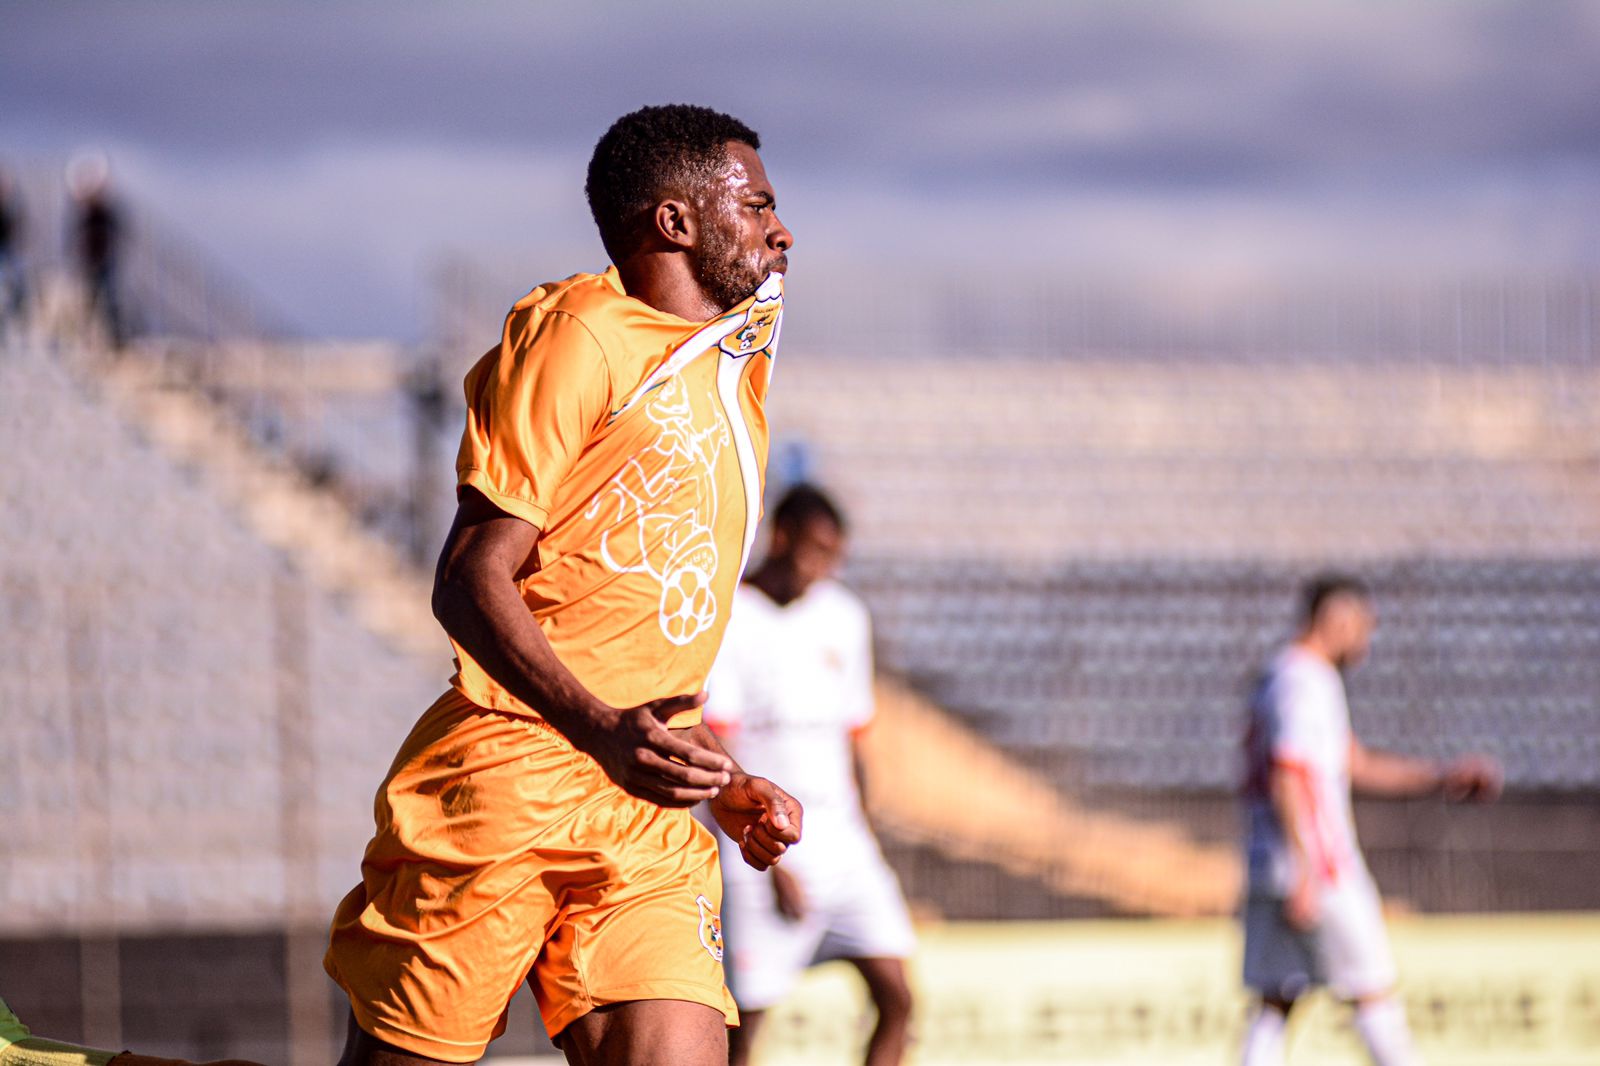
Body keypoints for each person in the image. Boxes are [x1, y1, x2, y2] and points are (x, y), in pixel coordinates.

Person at [1239, 575, 1502, 1066]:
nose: (1366, 640)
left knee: (1275, 1000)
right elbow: (1289, 774)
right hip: (1319, 866)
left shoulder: (1281, 675)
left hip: (1270, 863)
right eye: (1363, 626)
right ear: (1335, 620)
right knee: (1374, 991)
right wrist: (1304, 868)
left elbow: (1351, 763)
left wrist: (1441, 777)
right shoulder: (1305, 680)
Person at [705, 485, 916, 1066]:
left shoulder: (843, 615)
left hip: (845, 846)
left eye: (833, 555)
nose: (823, 567)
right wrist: (773, 862)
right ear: (781, 539)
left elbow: (854, 738)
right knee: (744, 1023)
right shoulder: (730, 615)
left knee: (897, 996)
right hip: (762, 847)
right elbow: (716, 745)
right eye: (814, 551)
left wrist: (866, 838)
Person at [68, 154, 124, 348]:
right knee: (89, 302)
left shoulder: (105, 212)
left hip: (103, 260)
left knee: (108, 301)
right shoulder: (86, 213)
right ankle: (85, 338)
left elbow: (116, 231)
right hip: (90, 261)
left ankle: (114, 339)